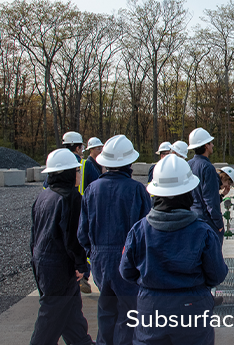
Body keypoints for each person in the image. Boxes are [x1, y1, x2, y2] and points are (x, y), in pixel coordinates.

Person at [120, 154, 228, 345]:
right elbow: (217, 275)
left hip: (151, 308)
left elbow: (126, 271)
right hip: (191, 307)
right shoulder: (203, 232)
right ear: (188, 192)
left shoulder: (139, 230)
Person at [78, 135, 152, 345]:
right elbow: (146, 230)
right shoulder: (137, 190)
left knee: (106, 310)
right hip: (127, 259)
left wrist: (92, 253)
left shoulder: (92, 190)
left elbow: (82, 232)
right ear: (129, 162)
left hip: (100, 261)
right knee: (128, 315)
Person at [30, 148, 94, 345]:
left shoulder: (44, 196)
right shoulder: (71, 198)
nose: (79, 174)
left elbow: (34, 233)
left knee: (71, 316)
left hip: (42, 262)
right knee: (50, 318)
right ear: (67, 173)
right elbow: (73, 238)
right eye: (76, 171)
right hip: (59, 267)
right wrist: (81, 266)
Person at [187, 128, 225, 245]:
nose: (212, 145)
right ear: (206, 146)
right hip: (206, 220)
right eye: (210, 143)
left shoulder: (188, 164)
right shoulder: (207, 168)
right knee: (212, 256)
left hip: (191, 218)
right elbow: (210, 200)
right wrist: (218, 223)